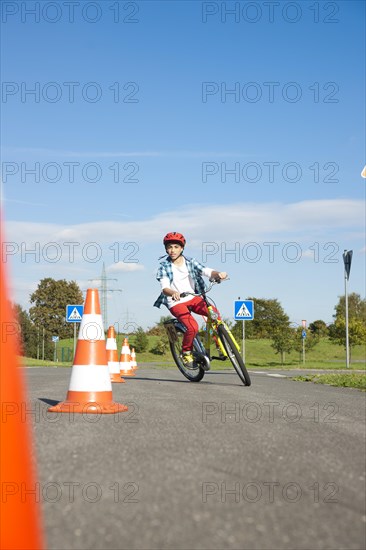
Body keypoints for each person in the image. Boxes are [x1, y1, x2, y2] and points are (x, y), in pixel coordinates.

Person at [153, 232, 227, 367]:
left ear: (182, 248)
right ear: (166, 249)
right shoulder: (164, 267)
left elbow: (206, 271)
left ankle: (220, 345)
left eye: (176, 247)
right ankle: (186, 352)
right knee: (193, 327)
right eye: (169, 247)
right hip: (176, 302)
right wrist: (173, 292)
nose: (172, 250)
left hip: (193, 297)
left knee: (215, 315)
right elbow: (164, 288)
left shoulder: (190, 262)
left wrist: (219, 274)